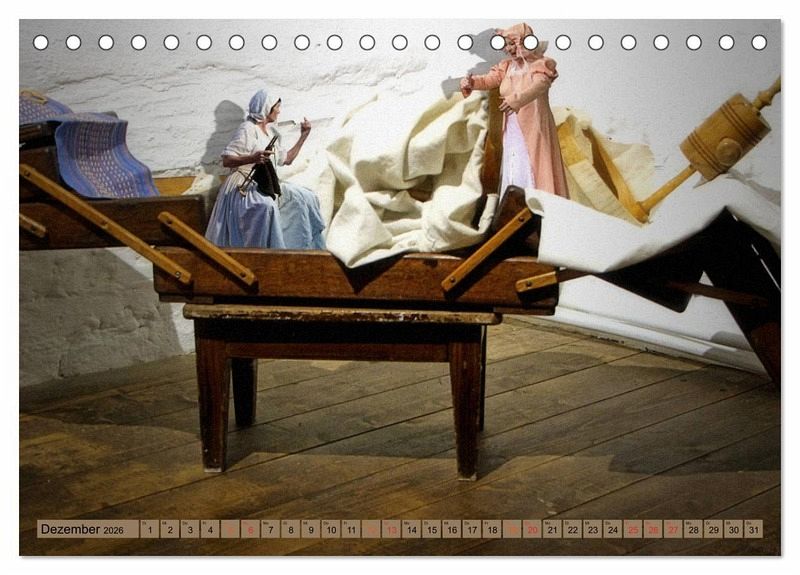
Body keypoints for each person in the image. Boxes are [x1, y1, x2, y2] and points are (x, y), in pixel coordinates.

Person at [205, 88, 326, 249]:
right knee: (266, 206)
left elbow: (287, 159)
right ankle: (266, 253)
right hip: (244, 183)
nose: (279, 111)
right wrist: (252, 158)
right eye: (277, 107)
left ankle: (301, 250)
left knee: (304, 197)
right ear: (267, 107)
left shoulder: (270, 133)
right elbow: (227, 160)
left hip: (266, 182)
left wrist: (303, 136)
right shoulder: (248, 128)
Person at [460, 23, 569, 200]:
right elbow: (489, 80)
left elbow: (540, 85)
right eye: (506, 45)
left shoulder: (540, 64)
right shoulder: (506, 67)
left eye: (512, 43)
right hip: (512, 127)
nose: (509, 49)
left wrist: (517, 100)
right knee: (514, 161)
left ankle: (537, 202)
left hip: (534, 126)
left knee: (532, 162)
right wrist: (472, 83)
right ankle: (516, 203)